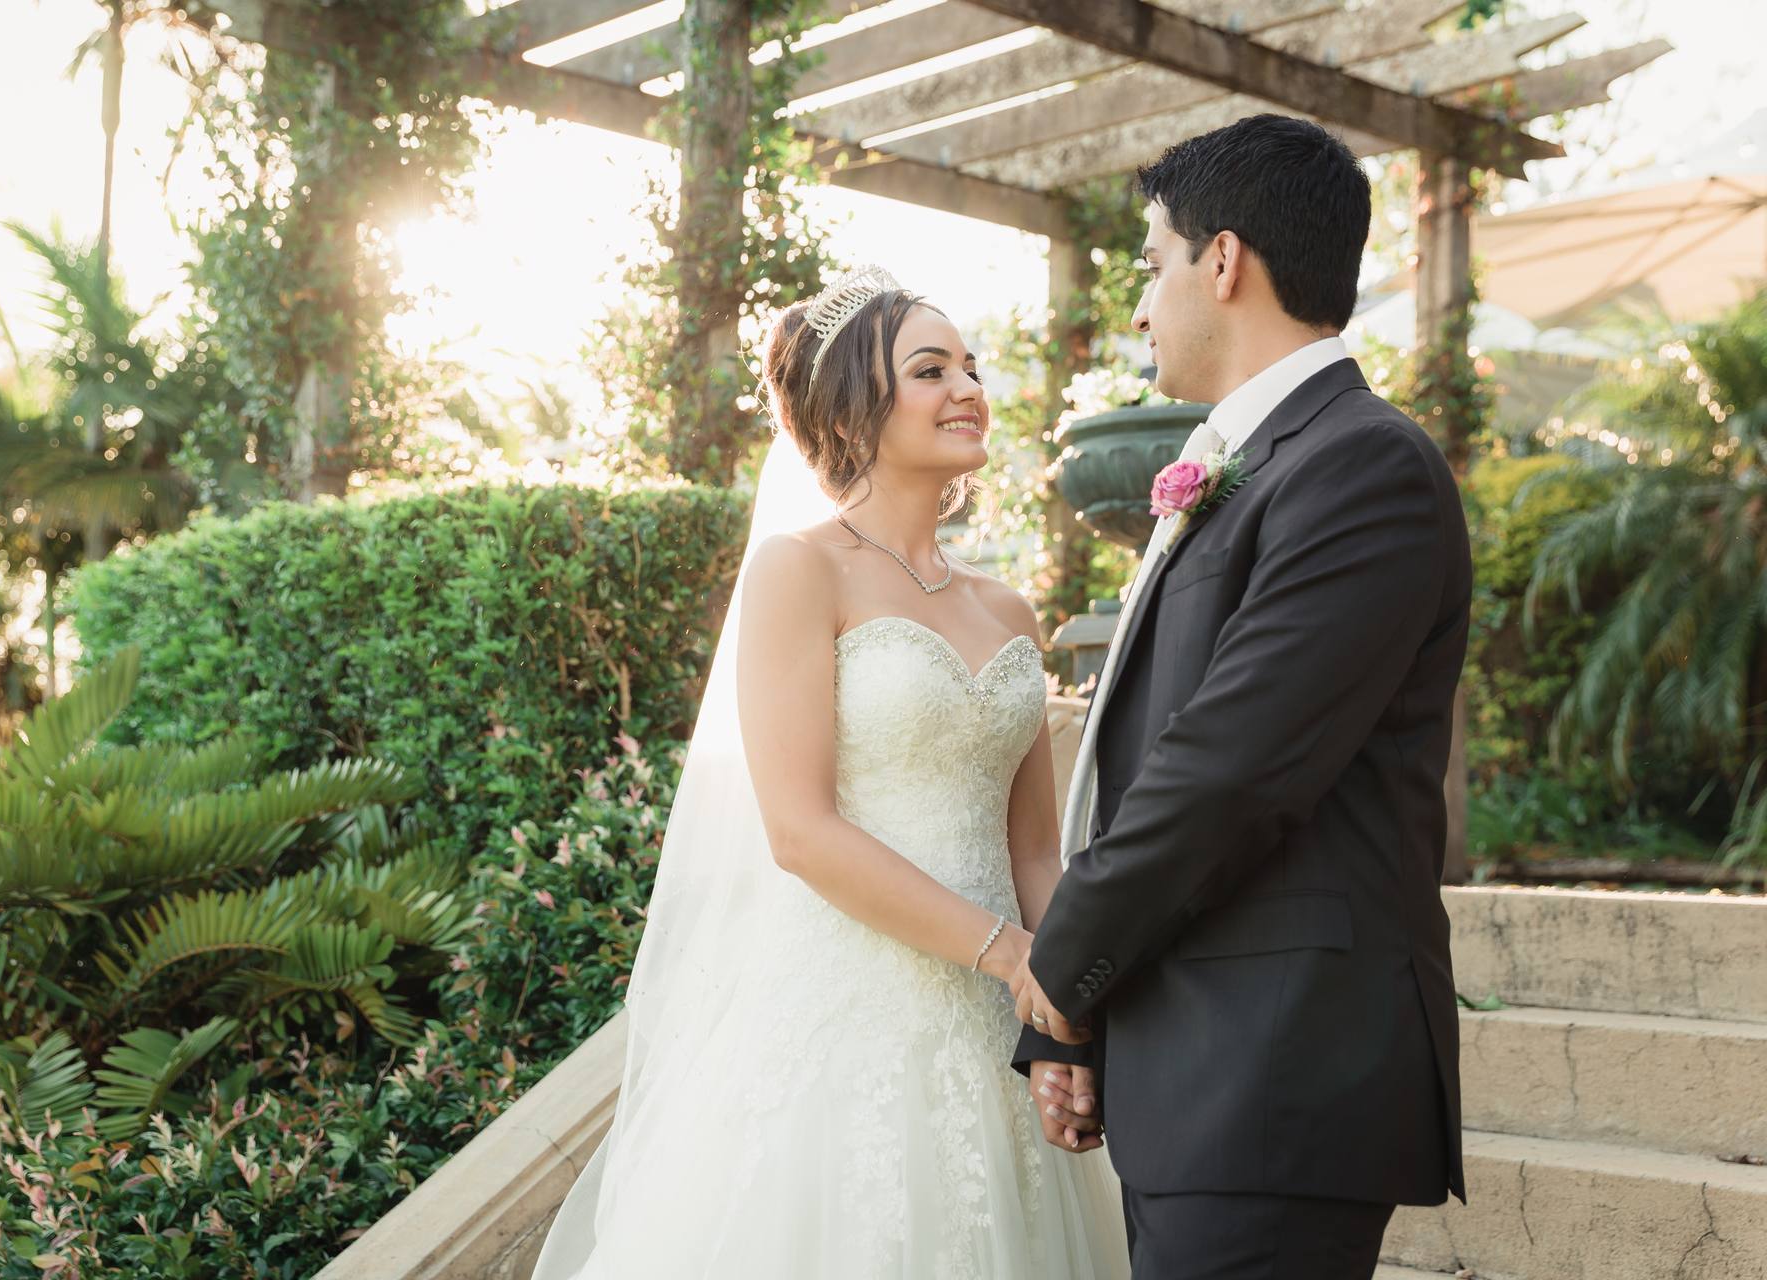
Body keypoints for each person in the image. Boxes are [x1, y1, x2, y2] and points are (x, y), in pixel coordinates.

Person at [529, 266, 1131, 1278]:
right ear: (856, 401)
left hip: (1006, 1010)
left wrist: (1070, 1002)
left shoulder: (1010, 609)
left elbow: (1032, 844)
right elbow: (801, 831)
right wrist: (1008, 955)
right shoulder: (799, 570)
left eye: (972, 366)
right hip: (857, 1008)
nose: (970, 387)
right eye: (931, 368)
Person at [1010, 114, 1472, 1280]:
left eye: (1154, 263)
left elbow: (1227, 773)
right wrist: (1077, 1021)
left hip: (1279, 1072)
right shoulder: (1257, 462)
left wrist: (1058, 977)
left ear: (1223, 260)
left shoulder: (1363, 465)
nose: (1140, 304)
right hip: (1204, 1072)